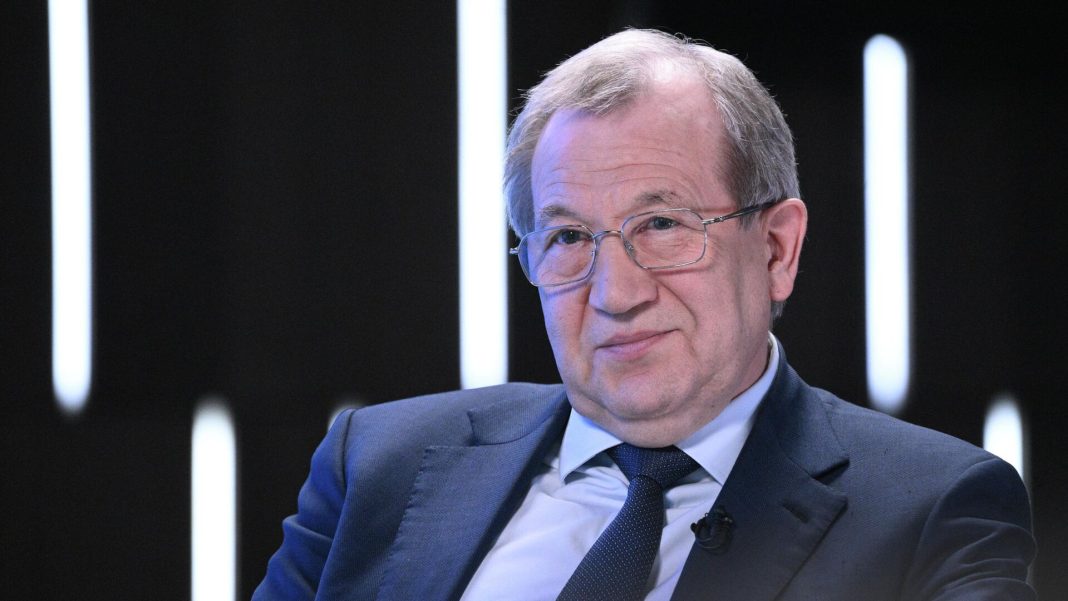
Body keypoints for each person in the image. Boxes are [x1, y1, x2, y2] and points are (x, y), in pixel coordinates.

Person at [252, 29, 1035, 600]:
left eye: (662, 225)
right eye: (568, 237)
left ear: (776, 248)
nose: (615, 293)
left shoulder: (935, 511)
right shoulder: (376, 464)